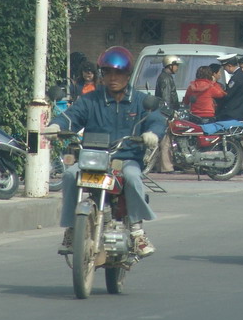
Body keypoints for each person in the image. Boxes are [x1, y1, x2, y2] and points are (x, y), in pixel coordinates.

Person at [49, 46, 165, 258]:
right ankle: (72, 229)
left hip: (126, 158)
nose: (113, 78)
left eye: (118, 73)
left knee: (132, 177)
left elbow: (157, 120)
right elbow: (71, 116)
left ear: (128, 74)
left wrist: (152, 133)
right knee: (69, 175)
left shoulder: (140, 101)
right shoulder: (90, 100)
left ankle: (137, 231)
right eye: (107, 72)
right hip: (93, 159)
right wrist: (57, 126)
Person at [151, 54, 182, 173]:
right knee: (166, 140)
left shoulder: (165, 77)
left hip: (163, 112)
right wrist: (170, 112)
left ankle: (160, 166)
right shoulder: (166, 79)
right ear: (170, 65)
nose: (177, 67)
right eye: (176, 65)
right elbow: (166, 98)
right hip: (165, 113)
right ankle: (166, 167)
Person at [217, 53, 243, 122]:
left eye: (225, 67)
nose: (224, 70)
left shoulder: (236, 77)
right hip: (238, 111)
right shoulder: (241, 75)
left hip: (233, 113)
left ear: (229, 66)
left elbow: (228, 94)